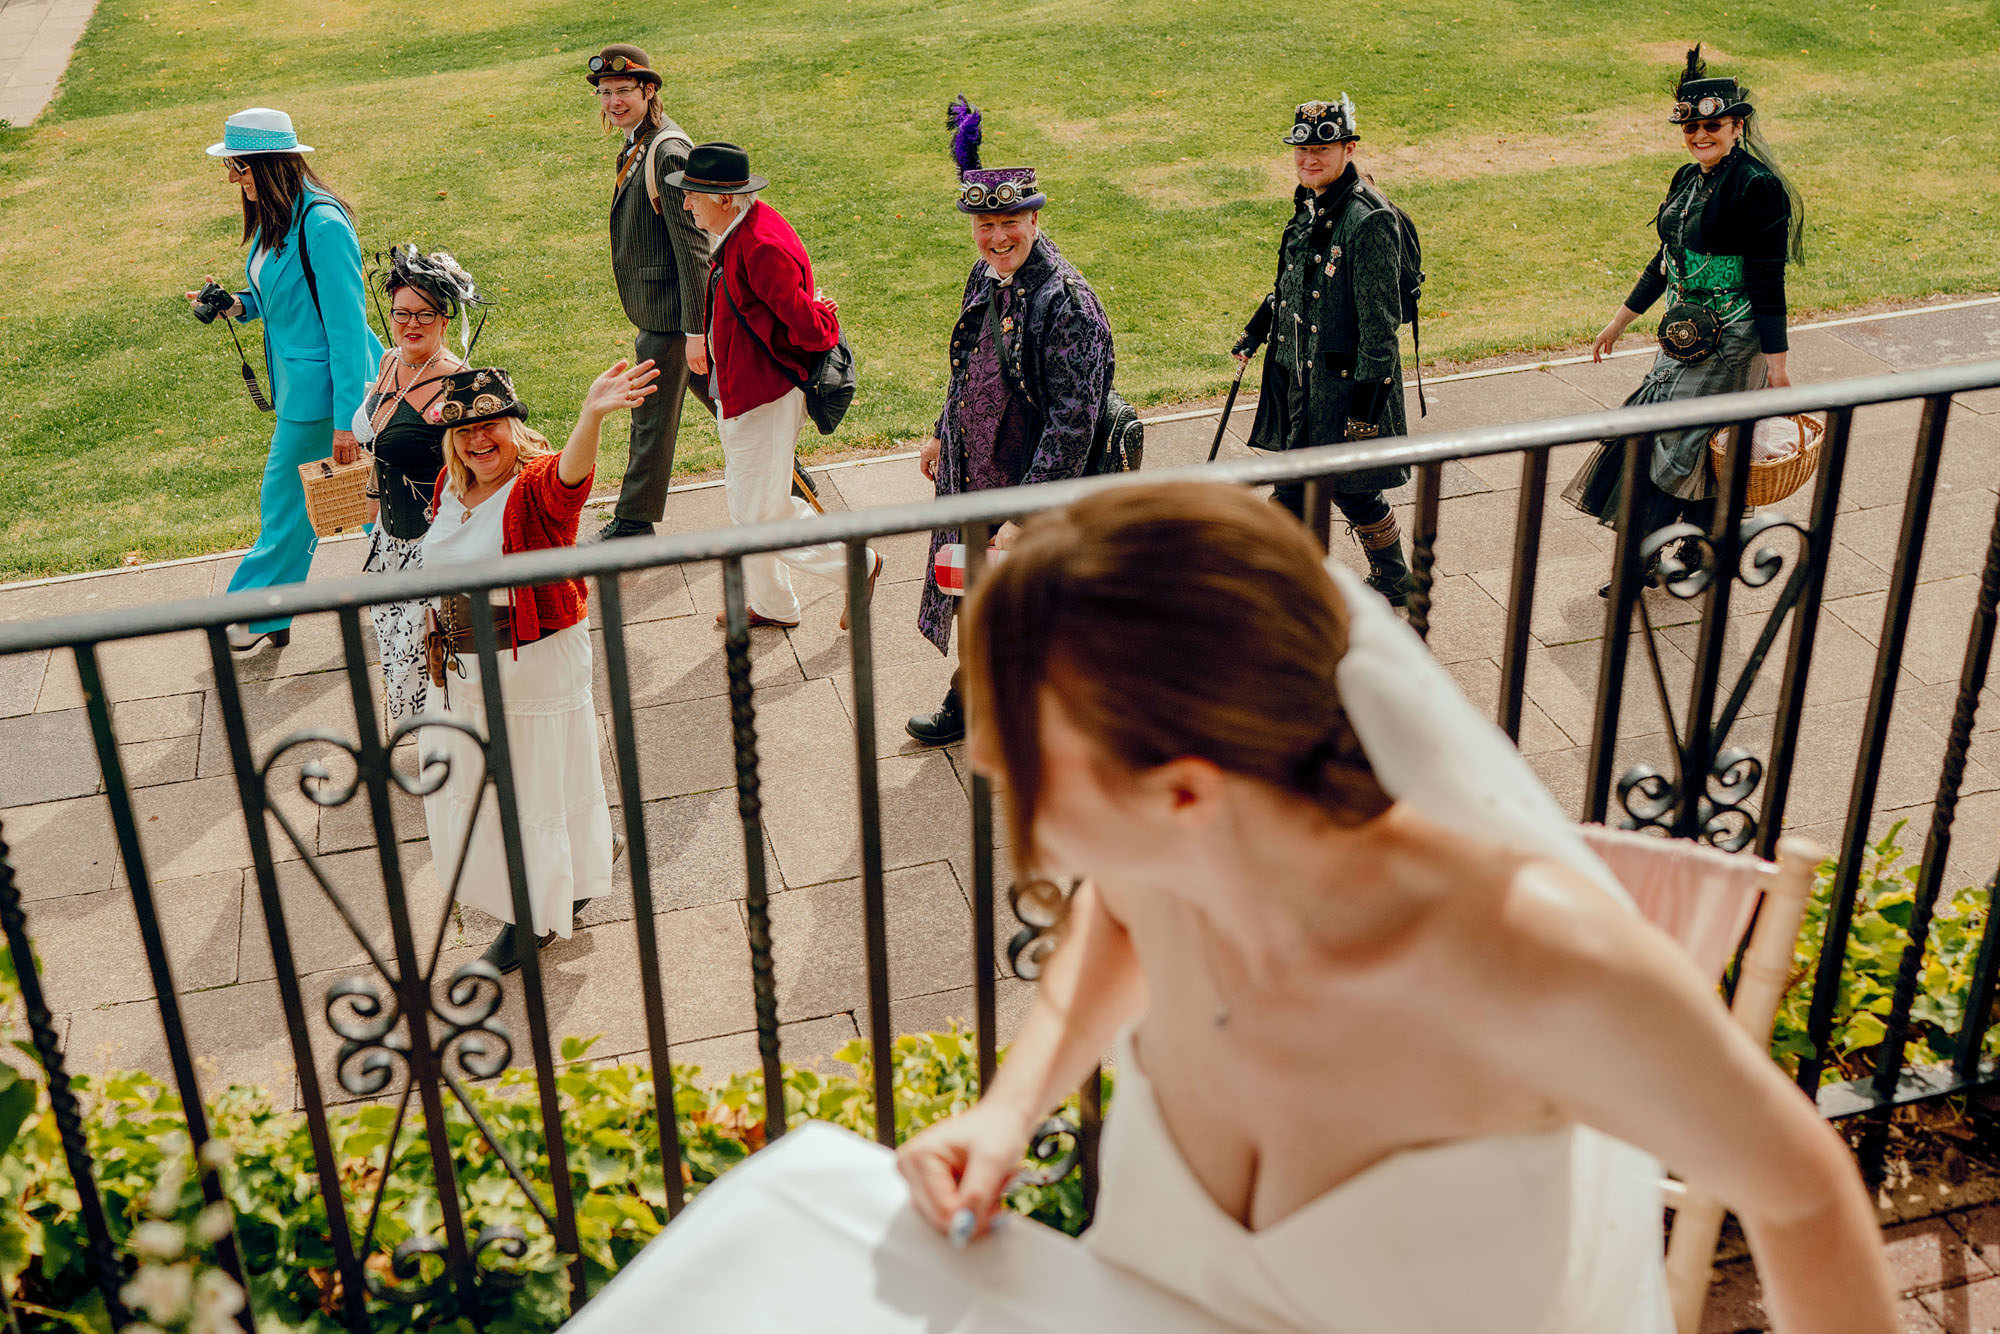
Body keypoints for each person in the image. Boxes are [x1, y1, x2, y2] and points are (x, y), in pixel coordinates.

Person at [417, 361, 658, 974]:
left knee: (531, 791)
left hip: (532, 663)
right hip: (459, 668)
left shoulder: (532, 489)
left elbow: (569, 479)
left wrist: (592, 416)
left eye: (492, 425)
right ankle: (588, 853)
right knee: (467, 784)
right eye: (467, 429)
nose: (479, 440)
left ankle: (536, 916)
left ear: (514, 427)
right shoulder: (452, 485)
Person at [906, 99, 1115, 746]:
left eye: (1009, 224)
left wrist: (1026, 515)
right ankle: (973, 699)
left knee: (1033, 607)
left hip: (1024, 486)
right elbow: (967, 360)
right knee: (972, 591)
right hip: (973, 476)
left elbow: (1073, 425)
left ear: (1033, 218)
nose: (996, 237)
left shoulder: (1069, 306)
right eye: (984, 224)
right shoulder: (986, 273)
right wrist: (943, 427)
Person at [1563, 46, 1805, 589]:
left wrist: (1778, 367)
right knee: (1687, 442)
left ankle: (1644, 561)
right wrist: (1621, 320)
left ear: (1737, 126)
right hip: (1682, 333)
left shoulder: (1758, 188)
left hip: (1734, 339)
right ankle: (1699, 549)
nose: (1699, 135)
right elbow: (1666, 256)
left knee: (1674, 440)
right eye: (1690, 127)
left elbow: (1769, 281)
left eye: (1712, 125)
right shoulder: (1686, 177)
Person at [188, 107, 383, 654]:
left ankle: (254, 613)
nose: (233, 179)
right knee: (360, 501)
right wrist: (236, 305)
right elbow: (286, 300)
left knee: (284, 500)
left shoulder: (321, 224)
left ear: (269, 164)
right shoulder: (284, 219)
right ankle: (419, 585)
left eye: (240, 168)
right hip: (307, 389)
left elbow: (347, 328)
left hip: (325, 396)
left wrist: (348, 419)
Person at [668, 141, 881, 631]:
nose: (685, 204)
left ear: (723, 198)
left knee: (760, 517)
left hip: (762, 399)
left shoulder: (759, 246)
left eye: (692, 195)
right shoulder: (749, 226)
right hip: (745, 393)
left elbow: (810, 328)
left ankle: (858, 567)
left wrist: (823, 315)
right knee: (750, 507)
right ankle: (772, 604)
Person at [1233, 96, 1414, 607]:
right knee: (1350, 489)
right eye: (1301, 149)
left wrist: (1366, 408)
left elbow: (1381, 326)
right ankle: (1395, 576)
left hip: (1342, 390)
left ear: (1348, 148)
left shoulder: (1369, 219)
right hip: (1298, 380)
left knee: (1296, 490)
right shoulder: (1309, 203)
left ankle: (1291, 593)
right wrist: (1258, 328)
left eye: (1321, 148)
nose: (1309, 158)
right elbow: (1293, 283)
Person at [590, 43, 717, 541]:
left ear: (649, 90)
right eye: (606, 92)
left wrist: (696, 331)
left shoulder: (666, 150)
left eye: (625, 90)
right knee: (736, 412)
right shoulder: (638, 142)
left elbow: (695, 251)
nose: (614, 101)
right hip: (668, 313)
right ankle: (794, 487)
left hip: (674, 319)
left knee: (649, 419)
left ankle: (633, 522)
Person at [352, 246, 478, 728]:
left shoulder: (459, 385)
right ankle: (432, 745)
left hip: (437, 542)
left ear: (445, 319)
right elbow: (379, 444)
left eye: (425, 314)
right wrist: (371, 503)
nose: (412, 324)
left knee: (436, 653)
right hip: (389, 540)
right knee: (397, 648)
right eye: (402, 313)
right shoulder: (389, 363)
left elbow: (488, 467)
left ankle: (456, 743)